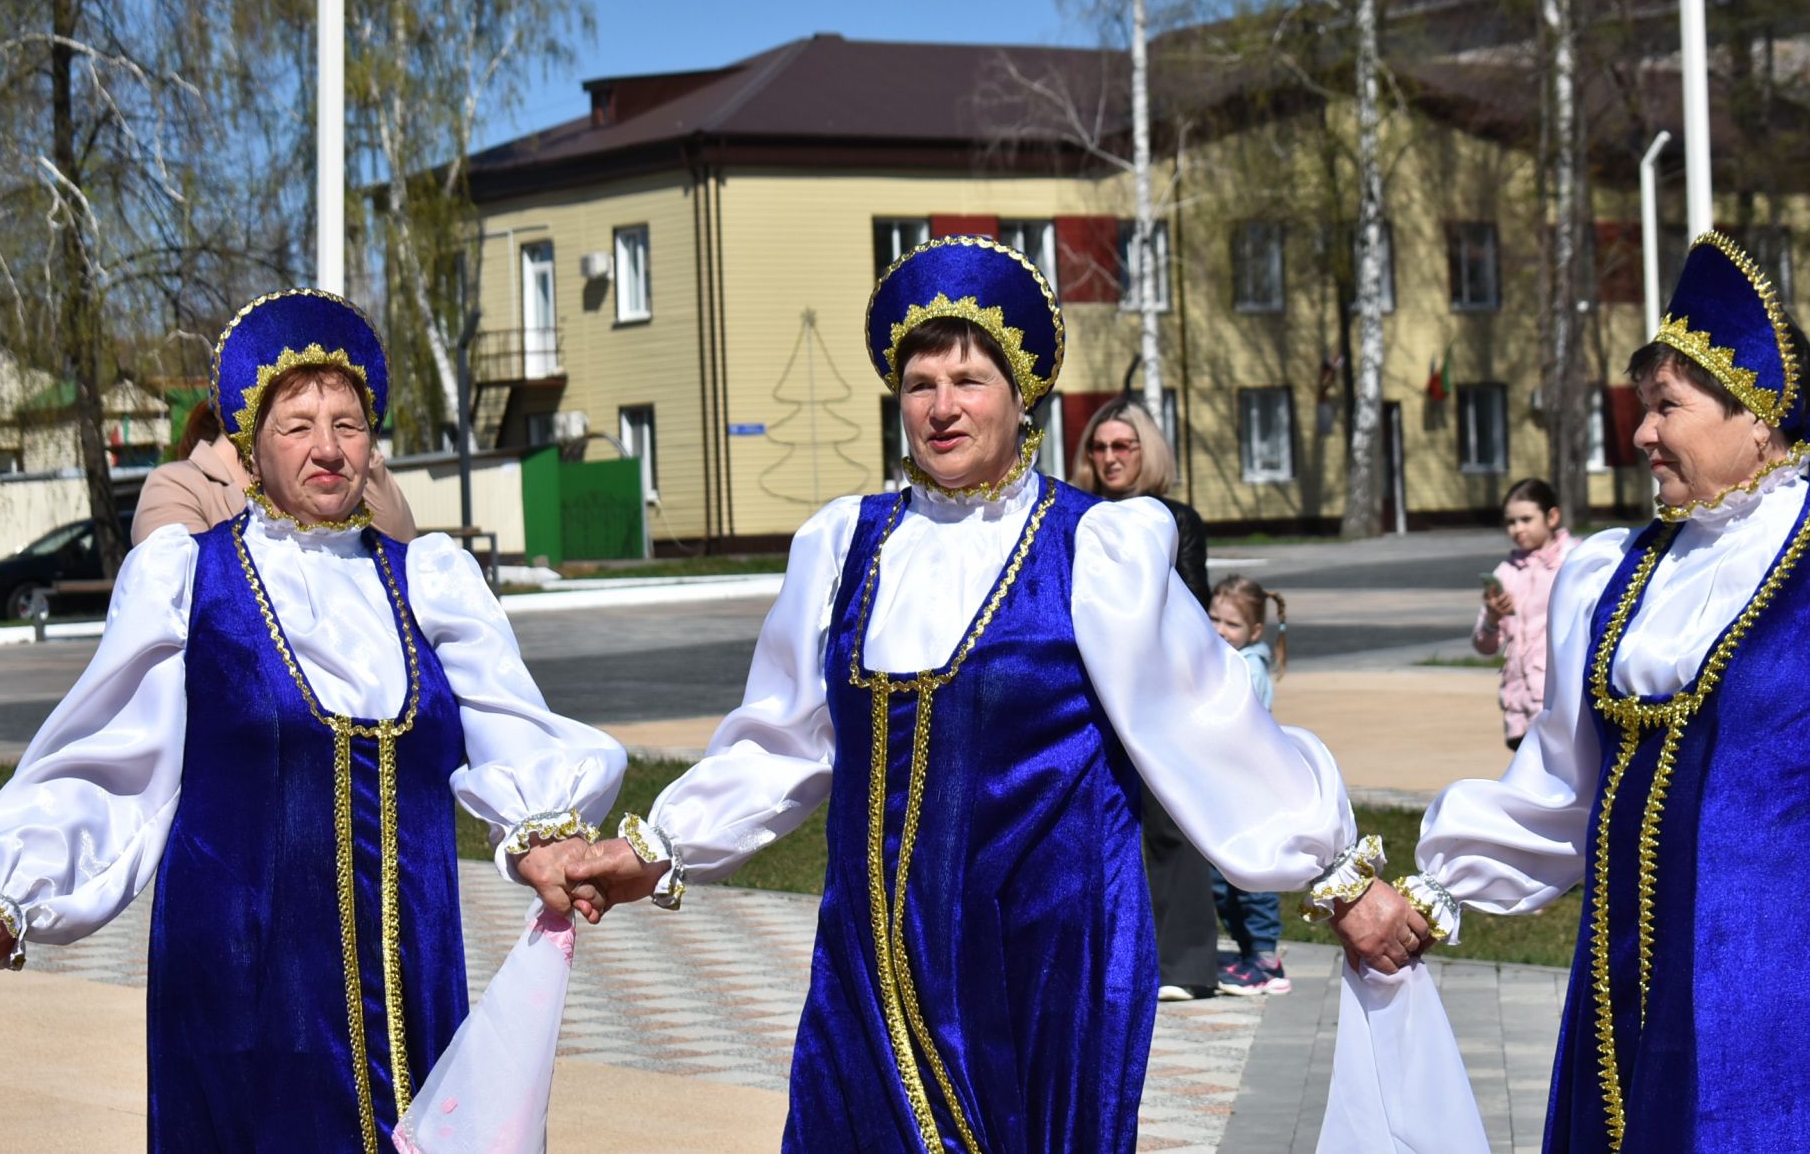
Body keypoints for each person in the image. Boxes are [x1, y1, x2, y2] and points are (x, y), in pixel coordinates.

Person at [560, 236, 1392, 1152]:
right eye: (922, 382)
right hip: (872, 962)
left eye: (969, 379)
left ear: (1022, 390)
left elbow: (1204, 720)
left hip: (1044, 961)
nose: (943, 407)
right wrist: (661, 845)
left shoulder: (1097, 550)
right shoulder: (845, 546)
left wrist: (1336, 873)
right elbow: (785, 744)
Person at [0, 288, 640, 1153]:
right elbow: (109, 762)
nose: (326, 447)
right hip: (243, 977)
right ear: (250, 444)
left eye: (347, 424)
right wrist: (4, 902)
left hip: (407, 976)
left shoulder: (428, 581)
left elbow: (508, 727)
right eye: (297, 423)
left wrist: (544, 837)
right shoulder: (189, 580)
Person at [1335, 230, 1810, 1151]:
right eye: (1641, 406)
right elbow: (1560, 787)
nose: (1643, 431)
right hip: (1624, 1000)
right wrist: (1436, 889)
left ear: (1755, 413)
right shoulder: (1614, 574)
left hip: (1784, 990)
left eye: (1667, 405)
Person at [1071, 396, 1220, 1001]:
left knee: (1169, 827)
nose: (1109, 458)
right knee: (1090, 825)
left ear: (1145, 452)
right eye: (1099, 447)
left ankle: (1184, 964)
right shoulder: (1077, 516)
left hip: (1159, 691)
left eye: (1121, 447)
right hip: (1088, 691)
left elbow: (1192, 605)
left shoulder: (1174, 518)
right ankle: (1101, 958)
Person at [133, 392, 416, 544]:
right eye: (299, 426)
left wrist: (356, 438)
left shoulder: (320, 476)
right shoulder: (177, 486)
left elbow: (400, 543)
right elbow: (197, 604)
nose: (327, 448)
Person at [1206, 574, 1292, 996]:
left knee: (1250, 882)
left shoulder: (1247, 669)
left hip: (1249, 790)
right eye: (1214, 619)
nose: (1221, 630)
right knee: (1223, 880)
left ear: (1255, 631)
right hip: (1226, 788)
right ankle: (1248, 954)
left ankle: (1266, 960)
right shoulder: (1226, 661)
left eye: (1232, 624)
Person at [1472, 478, 1578, 749]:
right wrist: (1493, 620)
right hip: (1518, 705)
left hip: (1566, 702)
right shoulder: (1505, 572)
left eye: (1526, 519)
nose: (1517, 529)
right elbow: (1485, 647)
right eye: (1511, 522)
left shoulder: (1577, 560)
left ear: (1552, 516)